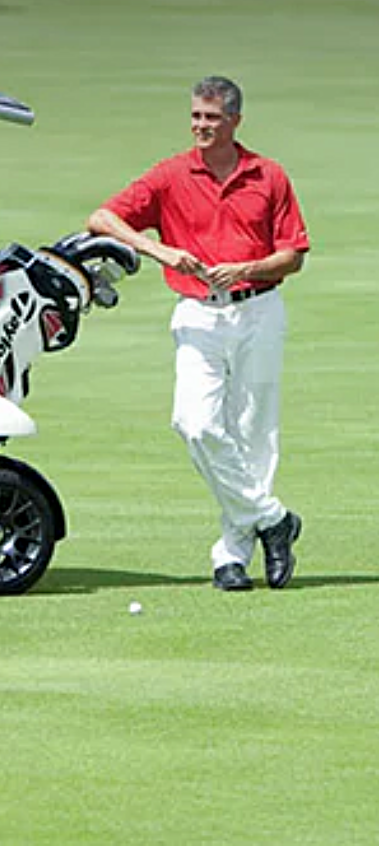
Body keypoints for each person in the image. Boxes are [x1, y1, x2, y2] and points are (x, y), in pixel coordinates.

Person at [87, 76, 310, 591]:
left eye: (211, 118)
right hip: (197, 313)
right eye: (195, 117)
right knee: (194, 423)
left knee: (254, 432)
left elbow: (293, 256)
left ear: (234, 120)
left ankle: (231, 556)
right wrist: (160, 250)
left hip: (259, 308)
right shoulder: (171, 173)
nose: (201, 127)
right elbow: (102, 218)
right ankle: (274, 520)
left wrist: (249, 267)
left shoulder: (268, 175)